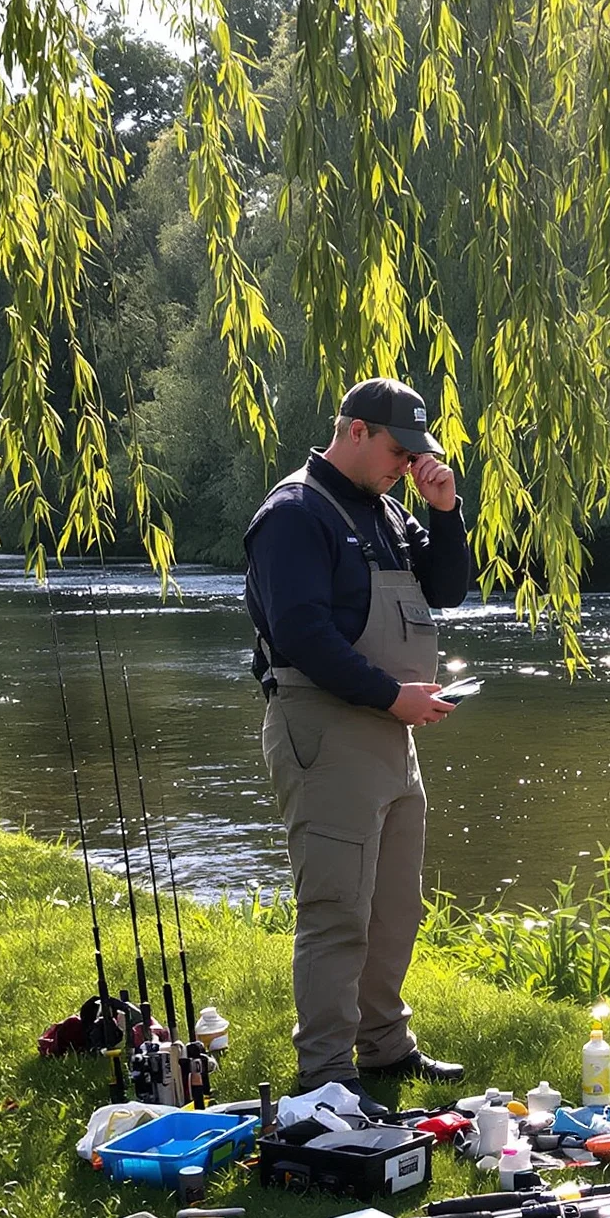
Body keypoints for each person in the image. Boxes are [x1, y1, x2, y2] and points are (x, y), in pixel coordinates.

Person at [244, 377, 471, 1096]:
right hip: (325, 730)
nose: (409, 464)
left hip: (392, 734)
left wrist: (445, 512)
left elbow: (448, 589)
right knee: (337, 910)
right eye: (399, 451)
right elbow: (301, 634)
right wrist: (392, 696)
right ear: (356, 431)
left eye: (416, 453)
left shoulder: (389, 511)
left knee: (394, 908)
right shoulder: (294, 514)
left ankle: (383, 1048)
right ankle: (325, 1074)